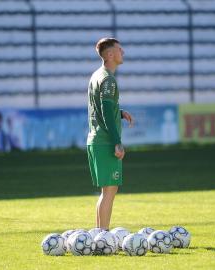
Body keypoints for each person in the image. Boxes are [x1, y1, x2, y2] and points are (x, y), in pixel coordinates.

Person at [86, 38, 134, 230]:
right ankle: (103, 235)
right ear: (110, 55)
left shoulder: (97, 75)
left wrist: (120, 113)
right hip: (105, 141)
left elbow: (101, 107)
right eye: (119, 49)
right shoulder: (108, 79)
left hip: (95, 139)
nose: (123, 51)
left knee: (106, 191)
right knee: (110, 191)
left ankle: (100, 234)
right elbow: (105, 110)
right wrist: (117, 142)